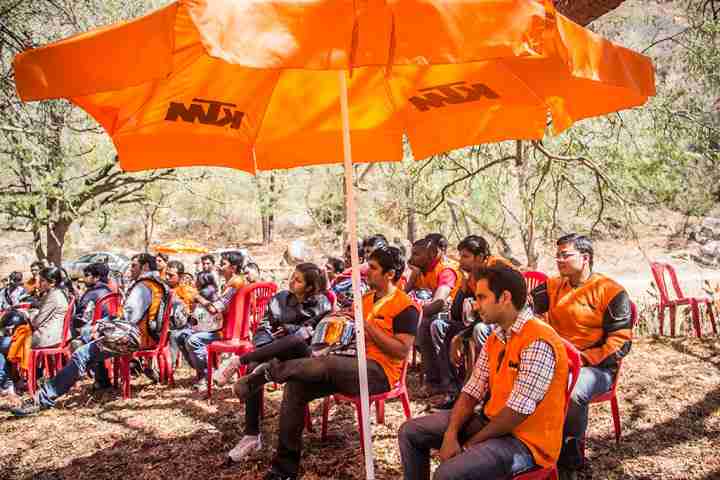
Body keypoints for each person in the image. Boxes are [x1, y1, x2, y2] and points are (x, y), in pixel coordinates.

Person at [230, 246, 419, 480]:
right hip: (348, 363)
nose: (367, 272)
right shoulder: (366, 299)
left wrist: (367, 325)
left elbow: (401, 351)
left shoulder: (405, 306)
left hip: (379, 373)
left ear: (390, 274)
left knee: (327, 363)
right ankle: (284, 470)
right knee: (296, 387)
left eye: (373, 268)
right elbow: (350, 325)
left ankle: (268, 373)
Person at [399, 265, 570, 480]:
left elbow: (517, 412)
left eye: (481, 297)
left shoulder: (538, 340)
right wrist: (451, 433)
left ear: (505, 297)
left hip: (526, 442)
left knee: (448, 474)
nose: (475, 305)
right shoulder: (497, 336)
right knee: (410, 432)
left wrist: (470, 445)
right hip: (491, 422)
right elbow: (472, 390)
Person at [10, 253, 170, 416]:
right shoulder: (160, 284)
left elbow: (128, 317)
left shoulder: (143, 287)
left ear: (145, 266)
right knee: (90, 338)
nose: (131, 268)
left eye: (134, 265)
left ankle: (42, 399)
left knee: (81, 353)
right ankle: (101, 381)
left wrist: (100, 326)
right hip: (148, 338)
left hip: (132, 338)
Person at [531, 233, 632, 477]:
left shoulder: (611, 291)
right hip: (557, 360)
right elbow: (526, 307)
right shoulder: (553, 286)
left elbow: (621, 343)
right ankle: (530, 449)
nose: (559, 260)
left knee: (574, 390)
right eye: (557, 255)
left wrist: (582, 359)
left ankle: (570, 460)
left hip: (596, 369)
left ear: (585, 258)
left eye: (565, 255)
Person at [223, 263, 332, 462]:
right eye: (292, 276)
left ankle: (249, 364)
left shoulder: (322, 303)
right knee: (253, 367)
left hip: (302, 356)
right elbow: (264, 326)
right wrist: (265, 347)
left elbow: (316, 334)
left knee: (296, 339)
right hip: (274, 351)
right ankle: (251, 436)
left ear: (310, 287)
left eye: (298, 280)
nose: (291, 281)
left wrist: (289, 329)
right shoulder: (280, 298)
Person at [431, 235, 514, 411]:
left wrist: (461, 336)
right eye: (460, 256)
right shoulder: (474, 274)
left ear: (480, 256)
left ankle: (484, 391)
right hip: (479, 319)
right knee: (439, 326)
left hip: (503, 322)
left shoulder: (496, 269)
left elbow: (494, 311)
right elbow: (456, 314)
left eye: (465, 256)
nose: (460, 261)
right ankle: (454, 390)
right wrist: (464, 285)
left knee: (479, 329)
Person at [1, 266, 71, 401]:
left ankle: (7, 383)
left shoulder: (53, 296)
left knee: (3, 344)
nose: (39, 283)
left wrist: (28, 314)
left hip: (46, 338)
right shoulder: (58, 293)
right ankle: (13, 381)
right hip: (55, 335)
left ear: (52, 282)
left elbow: (36, 322)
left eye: (43, 281)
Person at [405, 234, 462, 397]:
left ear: (432, 254)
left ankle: (440, 382)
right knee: (423, 323)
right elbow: (401, 296)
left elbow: (438, 303)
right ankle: (434, 380)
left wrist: (413, 316)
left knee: (426, 324)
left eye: (417, 254)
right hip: (439, 315)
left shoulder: (446, 270)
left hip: (457, 316)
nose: (411, 258)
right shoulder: (422, 270)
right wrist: (413, 276)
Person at [186, 251, 245, 391]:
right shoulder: (235, 282)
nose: (219, 266)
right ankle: (207, 372)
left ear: (233, 268)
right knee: (188, 334)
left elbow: (214, 309)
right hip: (232, 327)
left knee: (193, 340)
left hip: (229, 332)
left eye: (223, 264)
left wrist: (198, 297)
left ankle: (206, 377)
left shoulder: (235, 284)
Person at [69, 262, 113, 389]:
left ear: (96, 277)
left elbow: (81, 317)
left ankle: (74, 376)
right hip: (110, 328)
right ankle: (101, 378)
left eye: (87, 275)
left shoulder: (92, 293)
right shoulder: (110, 291)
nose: (84, 278)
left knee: (74, 339)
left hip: (95, 332)